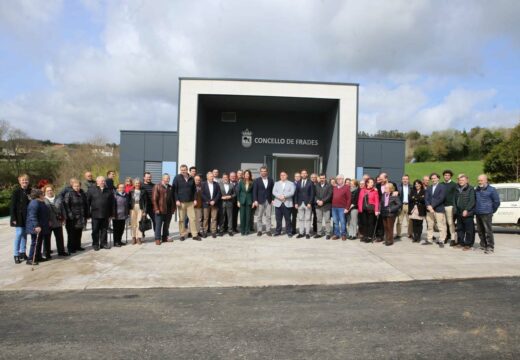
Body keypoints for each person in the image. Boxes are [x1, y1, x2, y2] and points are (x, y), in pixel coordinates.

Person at [173, 164, 200, 241]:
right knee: (181, 219)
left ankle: (194, 235)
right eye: (181, 170)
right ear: (180, 170)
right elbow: (174, 190)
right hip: (181, 202)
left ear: (187, 170)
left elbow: (194, 190)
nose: (183, 171)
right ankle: (182, 235)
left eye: (184, 170)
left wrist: (195, 199)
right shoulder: (177, 178)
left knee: (193, 219)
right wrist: (176, 200)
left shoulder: (191, 178)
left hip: (190, 202)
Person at [88, 176, 115, 250]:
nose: (103, 182)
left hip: (105, 214)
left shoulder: (109, 191)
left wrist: (112, 213)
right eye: (101, 181)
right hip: (95, 214)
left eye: (103, 181)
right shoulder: (91, 190)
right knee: (95, 230)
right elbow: (88, 202)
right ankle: (95, 244)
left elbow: (112, 203)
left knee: (104, 230)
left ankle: (103, 243)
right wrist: (88, 213)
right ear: (97, 182)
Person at [475, 174, 500, 254]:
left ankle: (490, 247)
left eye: (481, 180)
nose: (479, 182)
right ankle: (483, 245)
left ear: (486, 180)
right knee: (480, 230)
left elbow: (497, 202)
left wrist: (492, 210)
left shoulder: (492, 190)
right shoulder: (477, 189)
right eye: (478, 180)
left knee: (488, 230)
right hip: (478, 212)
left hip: (487, 213)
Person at [25, 189, 50, 265]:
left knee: (39, 242)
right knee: (35, 242)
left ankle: (38, 256)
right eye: (42, 194)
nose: (43, 195)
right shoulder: (34, 203)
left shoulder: (40, 202)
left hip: (42, 225)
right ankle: (30, 259)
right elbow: (32, 216)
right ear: (39, 195)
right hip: (35, 226)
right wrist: (36, 226)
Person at [10, 174, 31, 264]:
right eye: (23, 180)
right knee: (19, 234)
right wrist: (13, 217)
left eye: (26, 180)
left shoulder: (30, 191)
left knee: (25, 234)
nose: (24, 182)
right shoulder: (16, 192)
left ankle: (23, 252)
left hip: (27, 216)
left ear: (28, 181)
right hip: (18, 217)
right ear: (19, 181)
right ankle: (16, 254)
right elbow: (12, 206)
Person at [43, 185, 68, 258]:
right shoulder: (43, 200)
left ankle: (61, 251)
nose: (49, 192)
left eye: (51, 190)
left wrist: (64, 218)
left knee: (60, 238)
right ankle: (46, 253)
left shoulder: (58, 198)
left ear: (53, 190)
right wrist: (46, 221)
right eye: (47, 191)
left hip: (58, 221)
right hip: (48, 223)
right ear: (45, 192)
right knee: (47, 239)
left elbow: (62, 209)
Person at [63, 179, 88, 253]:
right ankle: (71, 248)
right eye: (75, 186)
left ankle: (78, 246)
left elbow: (85, 204)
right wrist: (70, 215)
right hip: (72, 218)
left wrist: (86, 214)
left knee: (79, 232)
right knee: (71, 234)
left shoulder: (82, 194)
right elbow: (66, 206)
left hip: (80, 217)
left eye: (78, 186)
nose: (77, 187)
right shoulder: (69, 194)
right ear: (72, 186)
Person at [424, 173, 447, 247]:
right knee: (430, 225)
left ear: (438, 178)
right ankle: (429, 239)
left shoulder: (442, 187)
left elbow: (441, 198)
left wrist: (432, 206)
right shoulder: (429, 188)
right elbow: (426, 198)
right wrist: (428, 205)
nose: (433, 179)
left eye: (435, 178)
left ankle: (441, 240)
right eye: (432, 178)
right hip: (429, 210)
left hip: (439, 209)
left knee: (440, 225)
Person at [152, 174, 176, 245]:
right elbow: (154, 199)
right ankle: (157, 239)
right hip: (160, 209)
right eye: (166, 178)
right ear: (162, 179)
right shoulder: (157, 186)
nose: (167, 180)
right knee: (158, 225)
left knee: (166, 225)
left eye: (168, 178)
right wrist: (156, 209)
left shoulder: (170, 187)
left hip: (168, 210)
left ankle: (165, 237)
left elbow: (173, 199)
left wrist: (173, 208)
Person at [454, 174, 476, 251]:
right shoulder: (457, 188)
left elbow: (472, 201)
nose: (461, 182)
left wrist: (466, 209)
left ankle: (468, 244)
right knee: (460, 229)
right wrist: (455, 209)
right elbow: (455, 200)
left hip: (468, 212)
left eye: (462, 180)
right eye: (460, 180)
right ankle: (461, 243)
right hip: (459, 212)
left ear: (467, 181)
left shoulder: (470, 189)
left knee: (469, 230)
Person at [272, 171, 296, 237]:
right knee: (278, 219)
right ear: (280, 176)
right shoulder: (276, 183)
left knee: (288, 219)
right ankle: (278, 231)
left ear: (287, 176)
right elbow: (274, 192)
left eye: (284, 175)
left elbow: (292, 192)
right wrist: (279, 196)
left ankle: (289, 232)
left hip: (287, 203)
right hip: (278, 203)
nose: (282, 176)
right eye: (281, 175)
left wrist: (284, 196)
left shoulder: (291, 183)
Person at [253, 166, 274, 236]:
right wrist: (255, 200)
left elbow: (272, 191)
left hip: (269, 200)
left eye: (264, 171)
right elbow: (254, 191)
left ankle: (268, 230)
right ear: (260, 172)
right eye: (262, 171)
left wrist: (273, 199)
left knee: (268, 216)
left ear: (267, 172)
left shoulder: (271, 180)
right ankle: (259, 230)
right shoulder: (257, 180)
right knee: (259, 216)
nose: (263, 172)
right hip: (260, 200)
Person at [358, 178, 380, 243]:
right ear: (367, 183)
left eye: (373, 182)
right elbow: (359, 200)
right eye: (371, 182)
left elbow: (377, 201)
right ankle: (365, 236)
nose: (372, 183)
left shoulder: (375, 191)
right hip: (363, 209)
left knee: (370, 223)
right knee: (364, 223)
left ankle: (370, 237)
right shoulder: (362, 190)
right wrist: (360, 209)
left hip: (371, 210)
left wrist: (376, 210)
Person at [295, 169, 315, 239]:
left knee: (308, 218)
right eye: (302, 173)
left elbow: (312, 194)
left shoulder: (310, 182)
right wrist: (296, 203)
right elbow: (296, 193)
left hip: (307, 204)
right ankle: (301, 232)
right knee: (300, 218)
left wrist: (310, 202)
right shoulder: (298, 182)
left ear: (307, 174)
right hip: (300, 203)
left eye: (305, 173)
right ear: (301, 174)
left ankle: (307, 233)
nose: (303, 174)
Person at [331, 174, 351, 241]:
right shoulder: (335, 187)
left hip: (342, 208)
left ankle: (343, 235)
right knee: (335, 222)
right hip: (334, 207)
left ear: (343, 179)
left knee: (342, 222)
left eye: (340, 178)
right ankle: (337, 234)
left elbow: (349, 199)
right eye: (337, 179)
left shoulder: (347, 187)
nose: (338, 180)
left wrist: (347, 208)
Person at [201, 171, 221, 238]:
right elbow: (202, 194)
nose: (212, 177)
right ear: (207, 177)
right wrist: (209, 201)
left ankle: (213, 231)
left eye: (212, 176)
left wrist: (214, 201)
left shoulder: (216, 184)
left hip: (214, 204)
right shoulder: (203, 184)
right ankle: (205, 231)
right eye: (210, 176)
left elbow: (219, 193)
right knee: (206, 218)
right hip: (206, 204)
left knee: (214, 218)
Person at [129, 178, 148, 245]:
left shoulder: (143, 191)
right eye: (136, 183)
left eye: (138, 183)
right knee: (133, 223)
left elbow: (146, 202)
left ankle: (139, 238)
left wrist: (145, 211)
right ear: (134, 184)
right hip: (133, 208)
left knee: (139, 223)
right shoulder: (131, 191)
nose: (137, 184)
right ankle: (134, 237)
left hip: (141, 208)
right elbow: (129, 201)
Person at [314, 173, 332, 239]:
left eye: (323, 178)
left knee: (327, 220)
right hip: (318, 205)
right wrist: (318, 201)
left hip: (326, 206)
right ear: (319, 178)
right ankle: (319, 233)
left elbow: (329, 195)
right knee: (319, 220)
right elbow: (314, 195)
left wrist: (323, 201)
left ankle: (328, 234)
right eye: (321, 178)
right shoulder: (316, 185)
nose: (322, 179)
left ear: (325, 178)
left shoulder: (329, 185)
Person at [237, 170, 254, 235]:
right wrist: (238, 201)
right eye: (246, 174)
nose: (247, 175)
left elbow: (253, 192)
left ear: (250, 175)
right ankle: (242, 230)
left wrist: (253, 202)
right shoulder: (241, 182)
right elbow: (238, 192)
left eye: (248, 174)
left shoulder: (252, 182)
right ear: (244, 175)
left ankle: (247, 230)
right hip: (242, 201)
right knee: (242, 216)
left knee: (248, 216)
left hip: (249, 201)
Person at [443, 169, 457, 246]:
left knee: (451, 223)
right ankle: (444, 237)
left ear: (450, 176)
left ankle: (453, 238)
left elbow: (455, 196)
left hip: (450, 206)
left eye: (448, 175)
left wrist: (454, 206)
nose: (447, 176)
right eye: (445, 175)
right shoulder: (441, 184)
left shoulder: (454, 185)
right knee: (444, 223)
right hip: (442, 206)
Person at [396, 175, 412, 239]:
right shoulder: (398, 187)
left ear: (408, 180)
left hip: (409, 205)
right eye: (404, 179)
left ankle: (410, 234)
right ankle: (398, 234)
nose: (405, 180)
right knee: (399, 221)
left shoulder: (411, 187)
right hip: (401, 205)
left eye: (406, 179)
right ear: (402, 180)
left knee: (410, 221)